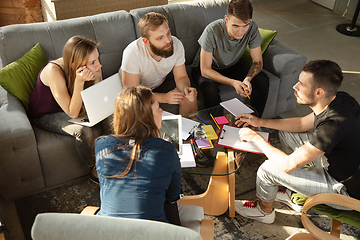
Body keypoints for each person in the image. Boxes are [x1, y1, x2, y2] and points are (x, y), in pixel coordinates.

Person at [233, 59, 360, 224]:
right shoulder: (341, 99)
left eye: (301, 84)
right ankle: (290, 193)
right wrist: (259, 122)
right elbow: (300, 124)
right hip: (342, 164)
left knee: (268, 169)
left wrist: (256, 138)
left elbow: (286, 165)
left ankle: (264, 211)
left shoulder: (332, 127)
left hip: (345, 190)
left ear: (319, 92)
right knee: (287, 134)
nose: (295, 87)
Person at [94, 86, 183, 225]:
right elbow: (172, 196)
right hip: (150, 232)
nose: (162, 111)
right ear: (146, 116)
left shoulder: (101, 145)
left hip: (106, 230)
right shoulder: (166, 150)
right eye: (158, 107)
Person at [28, 35, 104, 180]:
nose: (99, 64)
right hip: (45, 114)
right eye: (93, 62)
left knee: (111, 114)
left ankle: (122, 157)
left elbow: (98, 95)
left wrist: (96, 75)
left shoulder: (92, 66)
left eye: (97, 59)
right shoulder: (53, 71)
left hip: (73, 107)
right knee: (84, 131)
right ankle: (95, 169)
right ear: (74, 65)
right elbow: (73, 112)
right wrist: (80, 82)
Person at [192, 0, 269, 117]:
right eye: (235, 26)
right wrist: (233, 83)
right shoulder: (212, 30)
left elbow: (257, 62)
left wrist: (248, 79)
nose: (241, 31)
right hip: (206, 67)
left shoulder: (252, 28)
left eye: (245, 25)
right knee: (209, 89)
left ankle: (254, 121)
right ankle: (220, 128)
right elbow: (205, 70)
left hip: (230, 65)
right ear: (226, 19)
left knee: (262, 80)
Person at [120, 12, 198, 115]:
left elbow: (181, 77)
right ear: (146, 42)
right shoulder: (132, 53)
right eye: (160, 38)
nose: (168, 40)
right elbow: (133, 93)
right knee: (140, 107)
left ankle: (191, 130)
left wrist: (186, 89)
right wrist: (164, 98)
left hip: (159, 83)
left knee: (188, 98)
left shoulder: (176, 45)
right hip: (134, 89)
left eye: (168, 33)